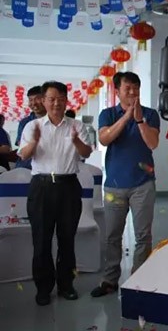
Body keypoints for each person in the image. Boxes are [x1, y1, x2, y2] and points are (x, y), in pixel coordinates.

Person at [18, 81, 92, 306]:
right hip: (41, 187)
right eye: (51, 99)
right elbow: (23, 155)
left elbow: (86, 152)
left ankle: (66, 285)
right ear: (43, 101)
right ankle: (43, 288)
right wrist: (35, 141)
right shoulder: (32, 126)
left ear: (66, 101)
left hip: (68, 186)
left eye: (61, 99)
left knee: (67, 239)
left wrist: (76, 140)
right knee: (41, 241)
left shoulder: (77, 126)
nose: (56, 103)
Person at [91, 72, 160, 297]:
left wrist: (139, 120)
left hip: (143, 185)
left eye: (136, 88)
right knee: (113, 235)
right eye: (127, 88)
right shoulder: (108, 114)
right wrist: (126, 117)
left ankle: (139, 280)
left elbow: (153, 143)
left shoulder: (150, 114)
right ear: (117, 91)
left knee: (143, 235)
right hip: (114, 186)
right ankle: (110, 280)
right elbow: (104, 139)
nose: (132, 92)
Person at [15, 86, 46, 169]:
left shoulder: (56, 121)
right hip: (26, 166)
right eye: (31, 100)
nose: (33, 103)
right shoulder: (25, 122)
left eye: (37, 99)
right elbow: (22, 146)